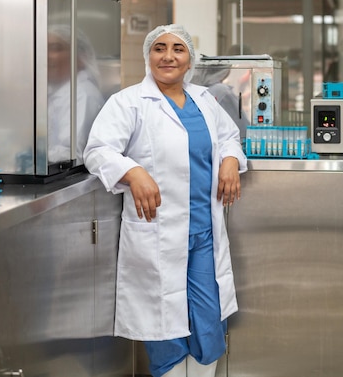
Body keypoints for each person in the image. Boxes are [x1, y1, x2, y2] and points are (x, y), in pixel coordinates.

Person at [83, 24, 247, 377]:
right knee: (162, 324)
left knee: (208, 318)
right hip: (157, 232)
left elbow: (229, 136)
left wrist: (231, 161)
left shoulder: (206, 101)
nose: (168, 56)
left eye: (177, 49)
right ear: (148, 56)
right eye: (159, 48)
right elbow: (98, 151)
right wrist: (133, 171)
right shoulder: (128, 102)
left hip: (204, 233)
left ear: (190, 61)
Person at [47, 25, 104, 165]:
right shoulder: (57, 93)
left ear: (80, 57)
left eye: (55, 48)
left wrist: (36, 156)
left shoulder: (81, 94)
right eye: (44, 48)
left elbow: (71, 154)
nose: (46, 56)